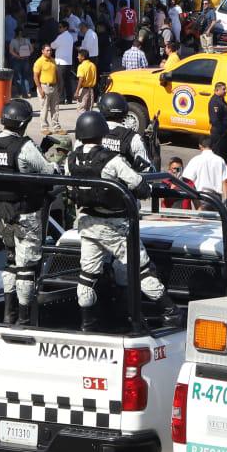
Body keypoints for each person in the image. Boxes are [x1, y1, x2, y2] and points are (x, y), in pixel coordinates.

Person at [64, 111, 180, 332]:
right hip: (116, 226)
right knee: (143, 269)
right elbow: (140, 185)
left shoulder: (71, 159)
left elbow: (70, 189)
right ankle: (170, 311)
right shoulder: (112, 159)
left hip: (87, 224)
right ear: (101, 133)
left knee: (87, 276)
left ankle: (87, 323)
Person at [0, 98, 52, 325]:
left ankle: (8, 316)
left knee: (11, 263)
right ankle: (23, 319)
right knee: (26, 269)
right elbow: (49, 171)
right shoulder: (24, 147)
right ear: (23, 124)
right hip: (25, 214)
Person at [97, 91, 153, 172]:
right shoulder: (133, 138)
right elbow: (146, 170)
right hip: (122, 183)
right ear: (125, 112)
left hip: (92, 182)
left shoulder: (90, 134)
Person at [181, 134, 227, 199]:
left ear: (200, 145)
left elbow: (187, 179)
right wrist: (226, 200)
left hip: (200, 196)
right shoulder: (220, 160)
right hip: (216, 199)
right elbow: (224, 181)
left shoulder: (196, 160)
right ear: (212, 145)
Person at [34, 43, 61, 131]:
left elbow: (56, 74)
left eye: (50, 50)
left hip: (54, 87)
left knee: (55, 108)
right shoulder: (39, 62)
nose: (49, 52)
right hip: (44, 86)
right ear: (42, 51)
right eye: (47, 50)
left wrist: (59, 85)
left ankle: (56, 127)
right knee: (44, 108)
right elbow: (35, 77)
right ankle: (44, 127)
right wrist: (40, 89)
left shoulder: (53, 61)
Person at [51, 22, 78, 102]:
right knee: (67, 81)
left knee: (60, 81)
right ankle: (69, 98)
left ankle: (61, 99)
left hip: (61, 62)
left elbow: (53, 45)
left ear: (65, 28)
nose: (59, 28)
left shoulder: (61, 37)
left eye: (60, 27)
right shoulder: (70, 36)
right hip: (68, 62)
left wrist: (52, 43)